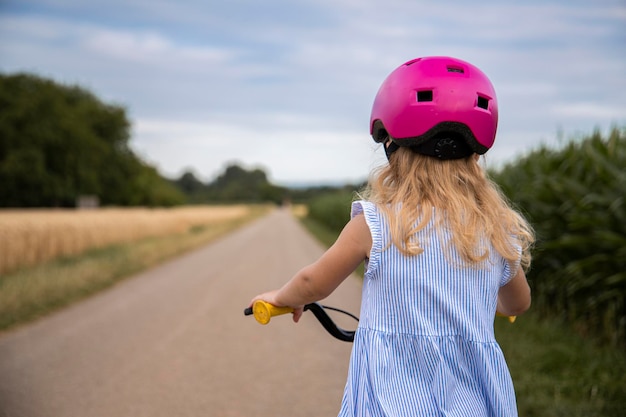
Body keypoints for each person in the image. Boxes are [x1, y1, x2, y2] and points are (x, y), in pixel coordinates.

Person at [249, 56, 535, 417]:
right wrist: (494, 301)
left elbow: (312, 283)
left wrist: (283, 296)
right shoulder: (497, 230)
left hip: (392, 402)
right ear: (475, 156)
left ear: (392, 146)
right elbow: (517, 303)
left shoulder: (377, 223)